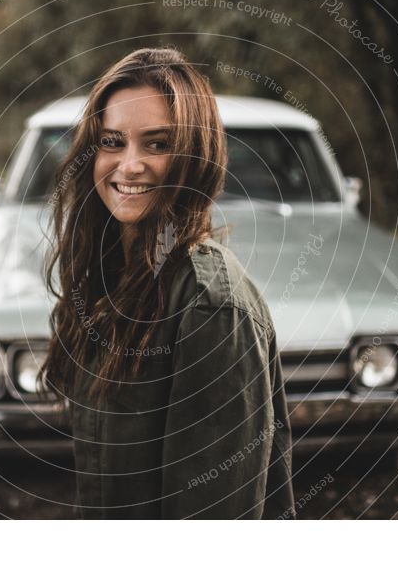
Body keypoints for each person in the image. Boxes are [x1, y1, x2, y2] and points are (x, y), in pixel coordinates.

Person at [39, 47, 295, 519]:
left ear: (194, 156)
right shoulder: (111, 274)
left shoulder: (208, 305)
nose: (129, 165)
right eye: (112, 141)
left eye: (157, 144)